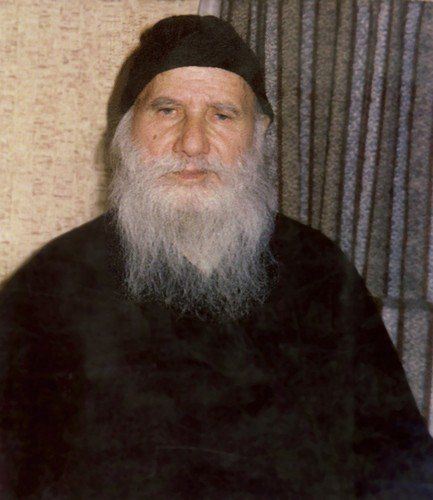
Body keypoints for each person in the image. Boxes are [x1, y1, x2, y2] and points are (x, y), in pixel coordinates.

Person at [1, 14, 432, 499]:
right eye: (167, 111)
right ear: (125, 130)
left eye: (222, 115)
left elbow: (400, 458)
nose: (192, 143)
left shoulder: (321, 270)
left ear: (259, 133)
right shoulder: (53, 286)